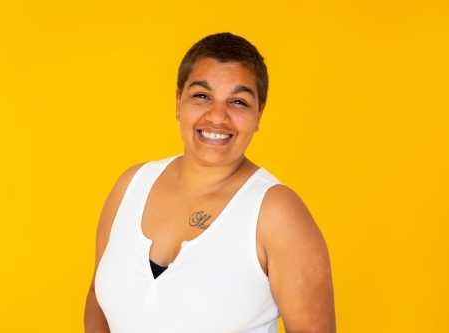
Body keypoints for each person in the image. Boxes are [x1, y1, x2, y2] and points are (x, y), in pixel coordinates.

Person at [84, 32, 336, 333]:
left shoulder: (277, 213)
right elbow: (97, 298)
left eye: (239, 101)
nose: (218, 117)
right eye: (202, 96)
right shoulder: (131, 185)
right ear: (179, 101)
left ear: (259, 115)